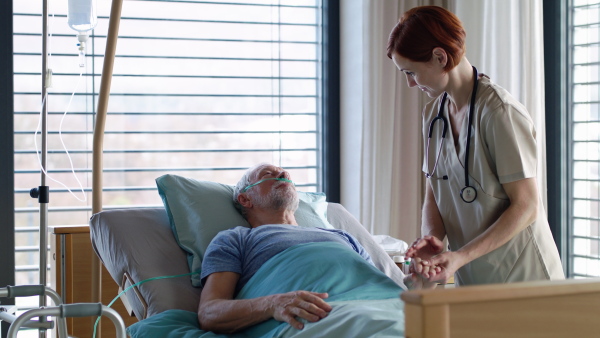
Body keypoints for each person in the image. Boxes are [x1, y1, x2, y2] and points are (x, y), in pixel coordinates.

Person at [386, 6, 564, 286]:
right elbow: (435, 187)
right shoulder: (433, 114)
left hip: (525, 277)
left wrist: (461, 256)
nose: (409, 84)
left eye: (411, 72)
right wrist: (432, 236)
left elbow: (527, 206)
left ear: (439, 57)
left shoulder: (500, 112)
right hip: (474, 276)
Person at [197, 163, 376, 333]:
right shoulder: (235, 239)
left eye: (285, 173)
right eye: (268, 174)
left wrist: (404, 283)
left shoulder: (343, 237)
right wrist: (272, 304)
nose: (284, 175)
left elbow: (379, 284)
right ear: (245, 199)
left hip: (374, 310)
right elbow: (209, 313)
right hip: (317, 319)